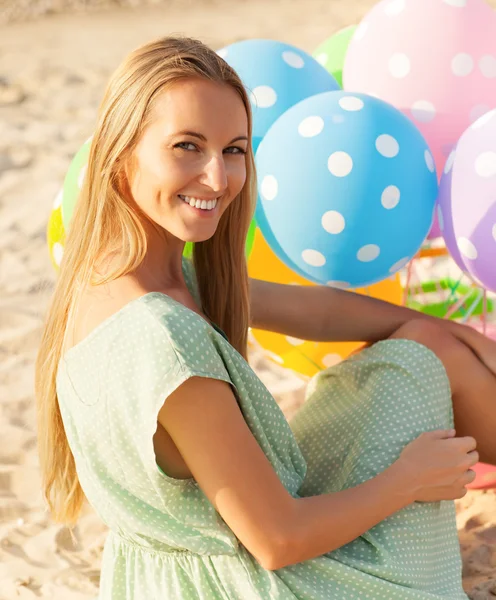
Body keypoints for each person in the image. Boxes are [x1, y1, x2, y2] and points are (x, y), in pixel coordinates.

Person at [34, 36, 496, 599]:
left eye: (234, 149)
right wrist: (409, 481)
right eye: (187, 146)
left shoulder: (117, 280)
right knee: (425, 360)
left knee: (425, 339)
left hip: (179, 572)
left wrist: (450, 329)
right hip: (266, 582)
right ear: (120, 152)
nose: (218, 179)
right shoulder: (164, 340)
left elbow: (317, 312)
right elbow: (279, 540)